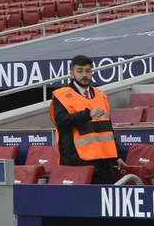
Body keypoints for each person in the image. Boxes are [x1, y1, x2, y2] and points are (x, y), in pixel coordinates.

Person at [50, 53, 121, 184]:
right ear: (72, 74)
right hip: (77, 161)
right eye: (80, 71)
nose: (84, 75)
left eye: (88, 71)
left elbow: (107, 130)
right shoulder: (62, 96)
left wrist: (117, 156)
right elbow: (61, 122)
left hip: (102, 162)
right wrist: (87, 115)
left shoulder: (101, 96)